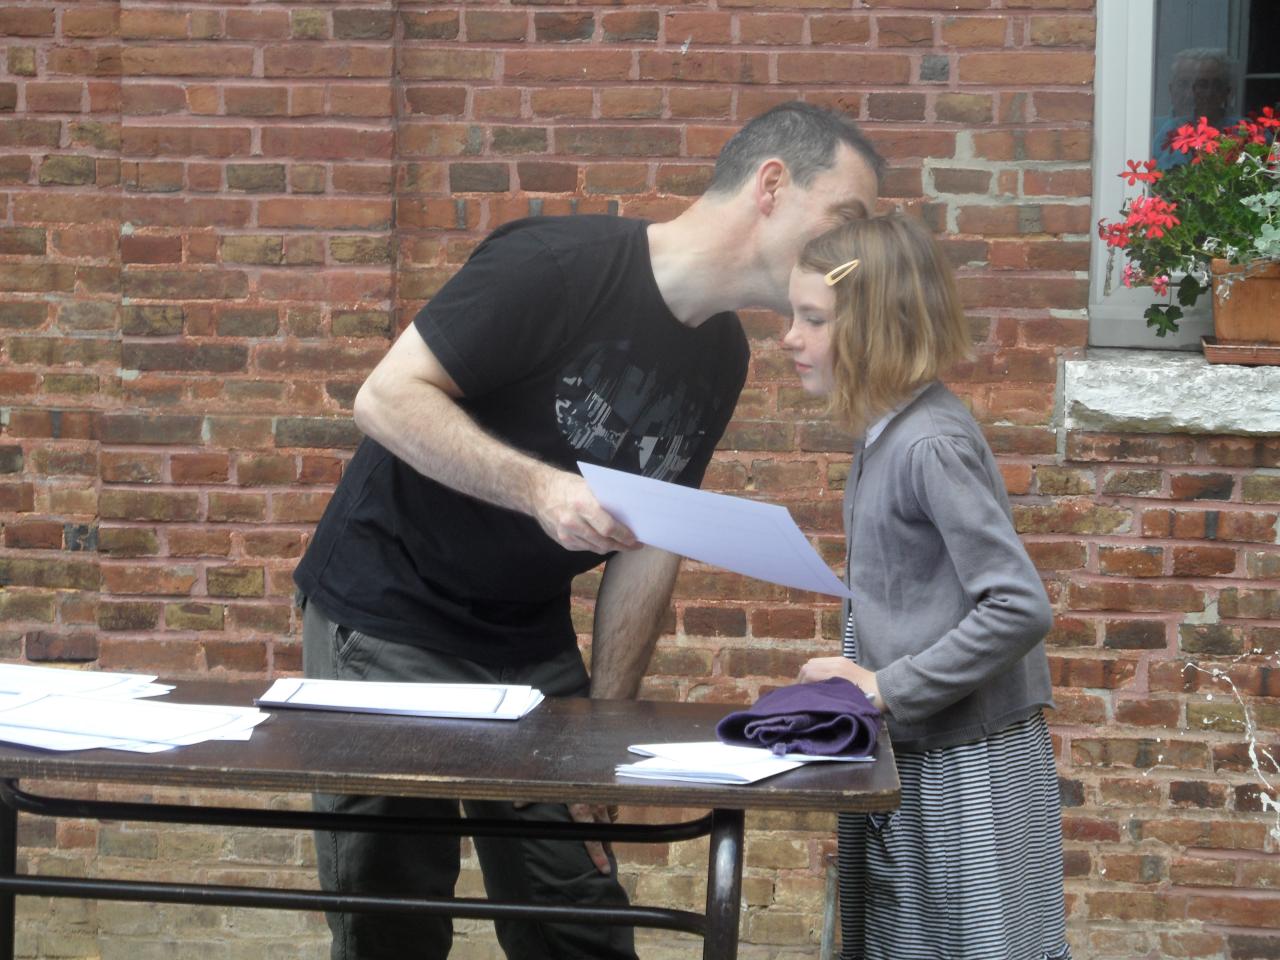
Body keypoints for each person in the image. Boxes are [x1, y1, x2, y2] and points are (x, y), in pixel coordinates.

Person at [293, 101, 883, 960]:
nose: (851, 254)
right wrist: (539, 489)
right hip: (389, 618)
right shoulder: (556, 264)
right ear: (770, 185)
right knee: (396, 921)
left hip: (526, 643)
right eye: (844, 221)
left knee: (580, 919)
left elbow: (651, 541)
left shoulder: (722, 358)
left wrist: (605, 729)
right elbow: (384, 398)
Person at [785, 214, 1071, 960]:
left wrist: (882, 686)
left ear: (876, 326)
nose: (789, 337)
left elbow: (1018, 606)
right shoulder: (881, 435)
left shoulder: (929, 444)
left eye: (812, 318)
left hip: (966, 766)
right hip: (907, 752)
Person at [1152, 48, 1237, 169]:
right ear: (1171, 89)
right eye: (1183, 83)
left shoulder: (1242, 132)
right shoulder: (1150, 130)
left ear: (1226, 92)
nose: (1190, 93)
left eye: (1204, 85)